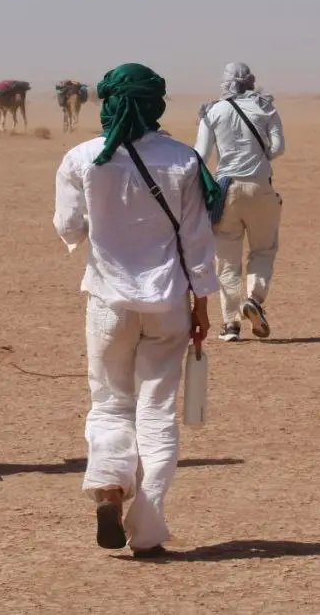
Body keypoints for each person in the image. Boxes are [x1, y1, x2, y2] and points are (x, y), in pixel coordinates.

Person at [53, 63, 218, 558]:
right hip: (167, 305)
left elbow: (68, 227)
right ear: (156, 104)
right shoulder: (183, 160)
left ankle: (108, 487)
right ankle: (146, 530)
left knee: (109, 403)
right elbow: (197, 242)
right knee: (157, 414)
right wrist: (202, 306)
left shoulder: (83, 158)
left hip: (107, 304)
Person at [194, 62, 285, 342]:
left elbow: (200, 153)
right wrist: (259, 160)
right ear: (251, 81)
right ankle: (254, 300)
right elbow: (279, 147)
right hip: (260, 188)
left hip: (225, 191)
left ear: (225, 83)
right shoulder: (266, 108)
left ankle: (231, 324)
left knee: (226, 259)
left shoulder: (212, 111)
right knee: (263, 250)